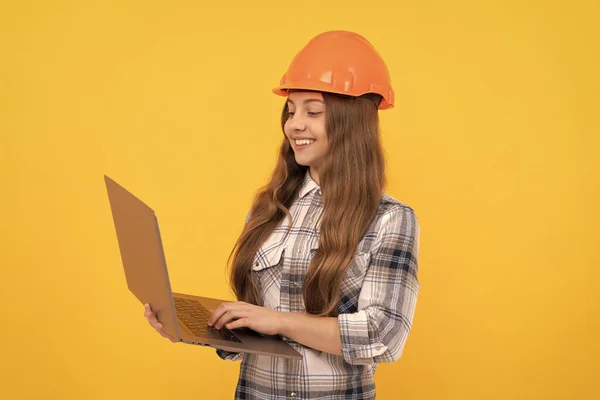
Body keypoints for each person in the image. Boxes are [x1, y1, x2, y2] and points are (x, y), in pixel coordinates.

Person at [144, 30, 420, 399]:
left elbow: (384, 336)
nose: (295, 125)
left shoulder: (389, 219)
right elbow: (258, 326)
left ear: (353, 121)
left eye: (313, 111)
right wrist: (197, 329)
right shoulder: (270, 208)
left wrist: (279, 322)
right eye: (290, 112)